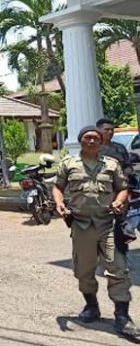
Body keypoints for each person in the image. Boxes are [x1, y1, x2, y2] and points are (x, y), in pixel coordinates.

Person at [53, 126, 140, 338]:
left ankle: (122, 317)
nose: (91, 141)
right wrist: (59, 203)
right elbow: (57, 186)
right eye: (87, 137)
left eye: (95, 138)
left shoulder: (111, 164)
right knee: (84, 270)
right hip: (81, 226)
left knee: (117, 269)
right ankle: (91, 306)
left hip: (107, 224)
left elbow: (122, 188)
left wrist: (119, 201)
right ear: (80, 140)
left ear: (101, 142)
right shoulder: (68, 164)